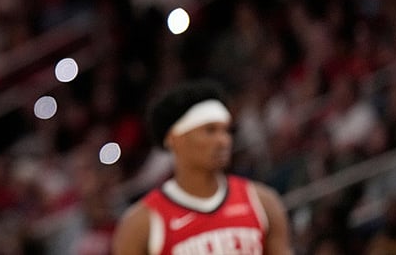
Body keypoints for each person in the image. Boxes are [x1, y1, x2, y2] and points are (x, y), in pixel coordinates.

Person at [113, 79, 293, 254]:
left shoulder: (263, 203)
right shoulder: (142, 223)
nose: (223, 140)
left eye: (226, 130)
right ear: (175, 139)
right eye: (210, 130)